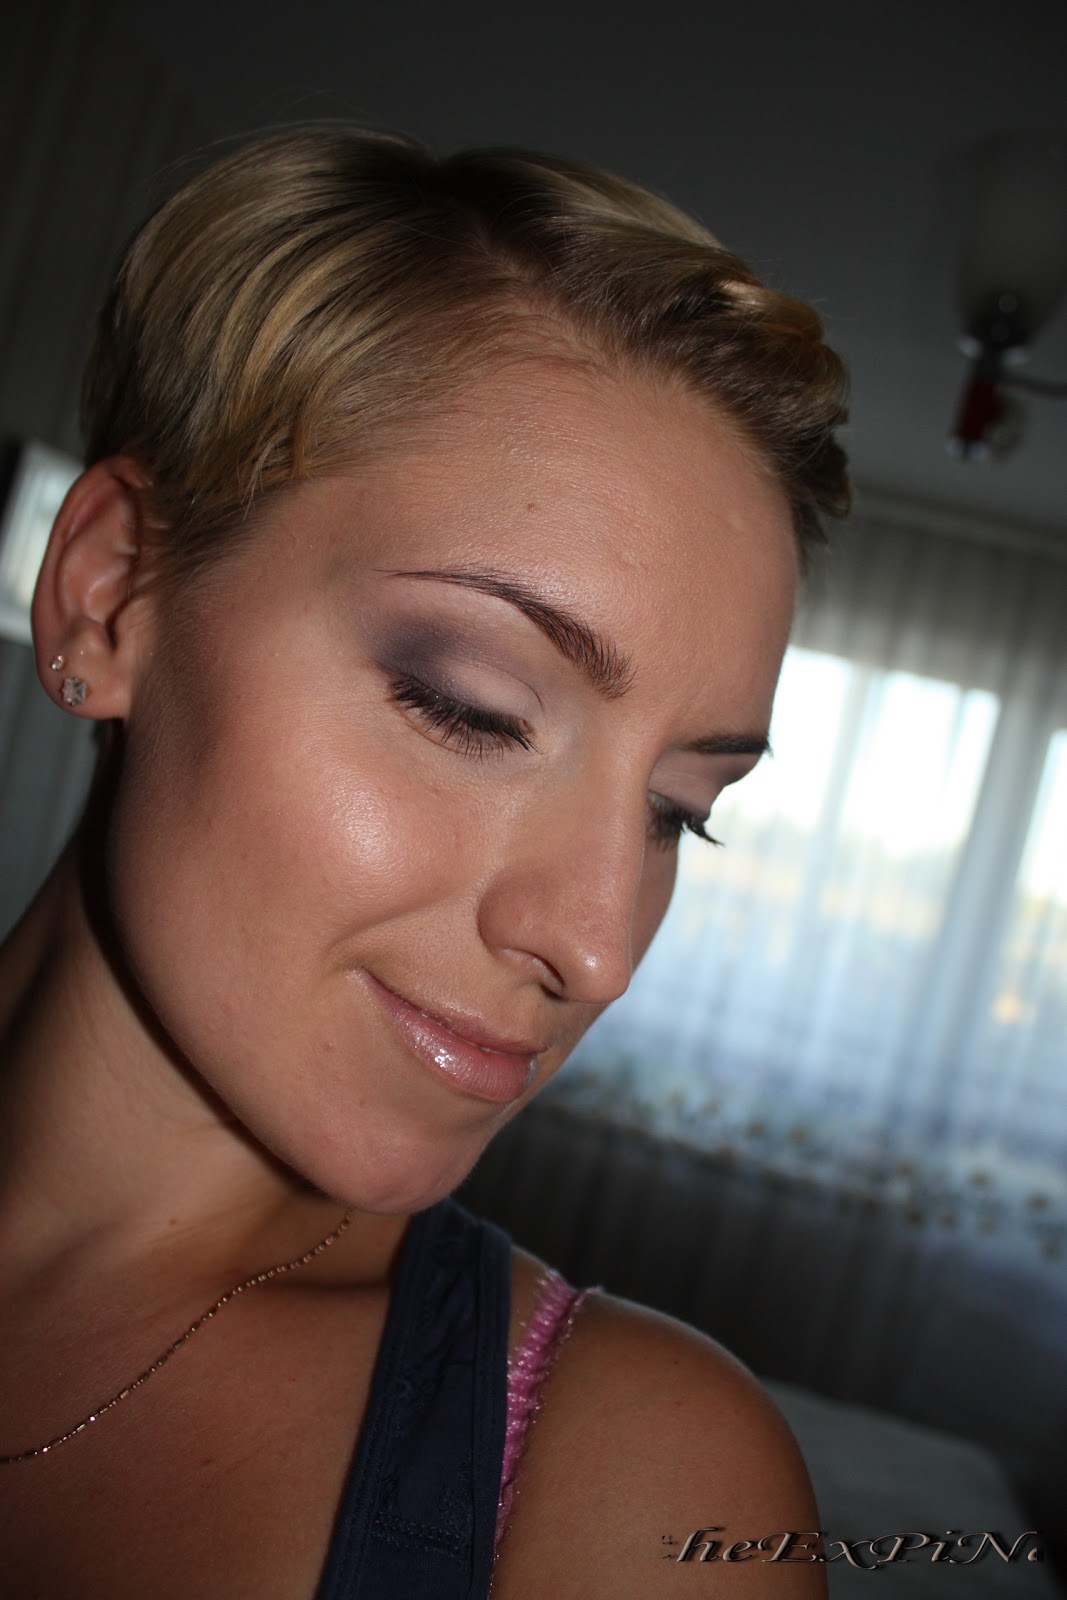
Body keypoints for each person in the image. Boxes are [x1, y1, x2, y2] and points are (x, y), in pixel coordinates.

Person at [0, 126, 848, 1597]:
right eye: (470, 708)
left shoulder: (632, 1497)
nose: (600, 947)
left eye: (678, 810)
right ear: (113, 593)